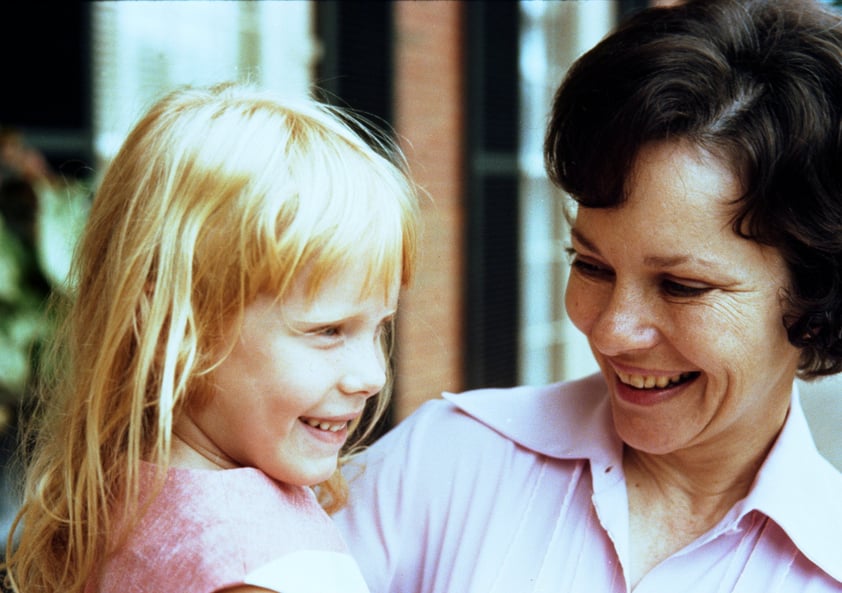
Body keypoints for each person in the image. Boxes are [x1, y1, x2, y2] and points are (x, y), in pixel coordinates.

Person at [333, 0, 842, 591]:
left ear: (815, 299)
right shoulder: (443, 461)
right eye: (592, 265)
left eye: (681, 286)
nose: (610, 330)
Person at [2, 82, 419, 593]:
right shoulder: (263, 565)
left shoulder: (113, 499)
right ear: (174, 323)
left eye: (379, 328)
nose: (372, 376)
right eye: (329, 330)